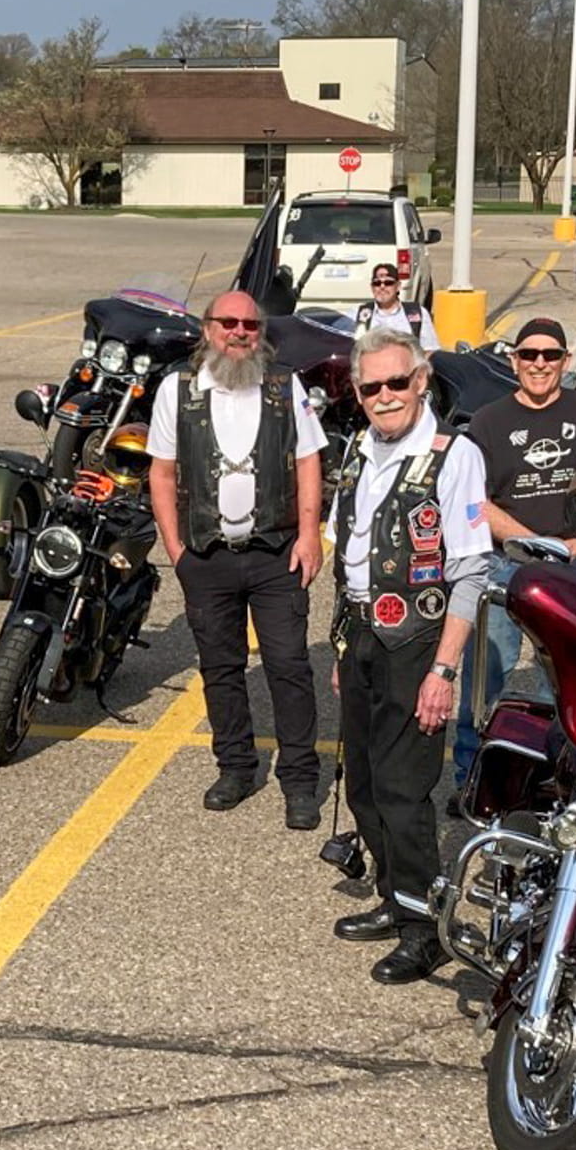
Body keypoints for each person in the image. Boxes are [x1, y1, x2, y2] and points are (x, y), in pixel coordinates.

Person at [326, 328, 491, 983]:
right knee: (365, 785)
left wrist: (443, 670)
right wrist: (344, 645)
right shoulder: (357, 451)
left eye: (399, 382)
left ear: (422, 381)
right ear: (358, 393)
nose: (386, 396)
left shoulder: (454, 456)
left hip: (418, 645)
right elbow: (351, 556)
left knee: (403, 790)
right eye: (373, 387)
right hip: (362, 634)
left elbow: (471, 570)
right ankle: (395, 900)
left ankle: (427, 927)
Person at [147, 289, 327, 827]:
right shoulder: (177, 391)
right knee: (221, 669)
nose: (240, 332)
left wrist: (310, 533)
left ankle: (299, 781)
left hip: (276, 552)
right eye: (228, 322)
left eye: (250, 323)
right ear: (207, 329)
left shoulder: (283, 386)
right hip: (206, 556)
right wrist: (176, 549)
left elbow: (308, 460)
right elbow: (161, 473)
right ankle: (236, 768)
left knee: (289, 667)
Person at [450, 317, 576, 798]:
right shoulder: (488, 420)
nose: (539, 364)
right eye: (529, 355)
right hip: (507, 565)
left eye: (550, 355)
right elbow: (474, 504)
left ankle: (552, 780)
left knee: (568, 684)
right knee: (487, 679)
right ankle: (470, 775)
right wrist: (539, 546)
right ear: (513, 360)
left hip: (575, 567)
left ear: (566, 361)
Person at [352, 262, 441, 352]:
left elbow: (430, 351)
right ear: (372, 288)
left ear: (398, 286)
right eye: (377, 283)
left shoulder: (418, 313)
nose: (382, 286)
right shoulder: (358, 314)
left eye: (388, 283)